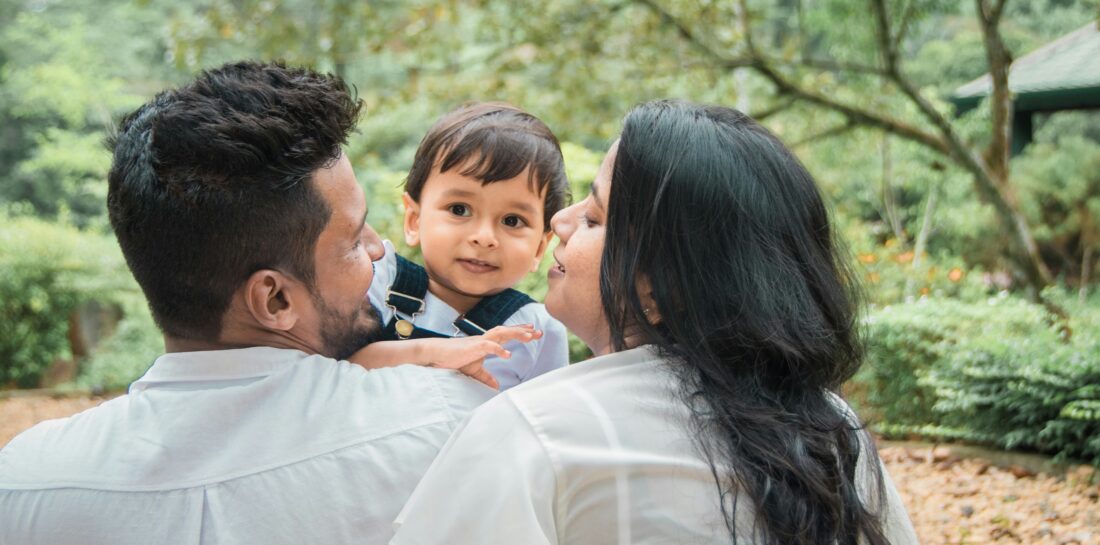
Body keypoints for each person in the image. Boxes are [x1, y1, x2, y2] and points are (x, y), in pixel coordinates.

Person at [0, 61, 496, 545]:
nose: (377, 249)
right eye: (351, 239)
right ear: (275, 299)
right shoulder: (450, 424)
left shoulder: (25, 485)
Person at [390, 100, 920, 545]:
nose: (559, 222)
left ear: (662, 286)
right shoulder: (832, 426)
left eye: (594, 218)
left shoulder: (537, 433)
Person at [348, 103, 570, 391]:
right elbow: (333, 371)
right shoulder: (375, 283)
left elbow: (543, 421)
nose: (484, 237)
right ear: (414, 220)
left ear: (540, 248)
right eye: (459, 209)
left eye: (512, 220)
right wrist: (429, 353)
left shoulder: (535, 331)